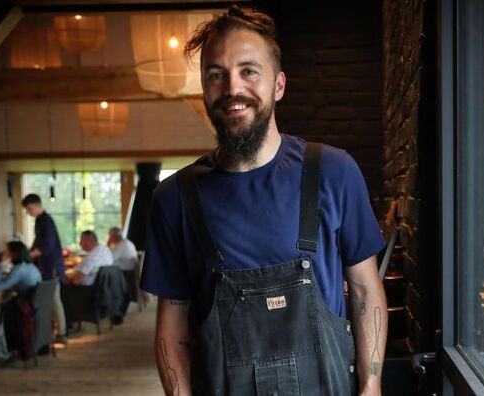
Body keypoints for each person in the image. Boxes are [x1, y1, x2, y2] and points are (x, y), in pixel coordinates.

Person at [141, 6, 388, 395]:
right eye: (216, 75)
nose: (232, 88)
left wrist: (371, 385)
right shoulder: (174, 199)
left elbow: (364, 288)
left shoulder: (333, 172)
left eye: (248, 71)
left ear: (279, 85)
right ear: (204, 89)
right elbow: (172, 317)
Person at [21, 193, 67, 345]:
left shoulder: (46, 221)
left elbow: (46, 246)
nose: (28, 212)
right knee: (52, 299)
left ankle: (61, 333)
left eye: (29, 209)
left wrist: (28, 256)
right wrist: (27, 253)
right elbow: (37, 243)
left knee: (54, 299)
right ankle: (55, 330)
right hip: (46, 265)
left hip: (51, 265)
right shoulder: (40, 221)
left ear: (36, 205)